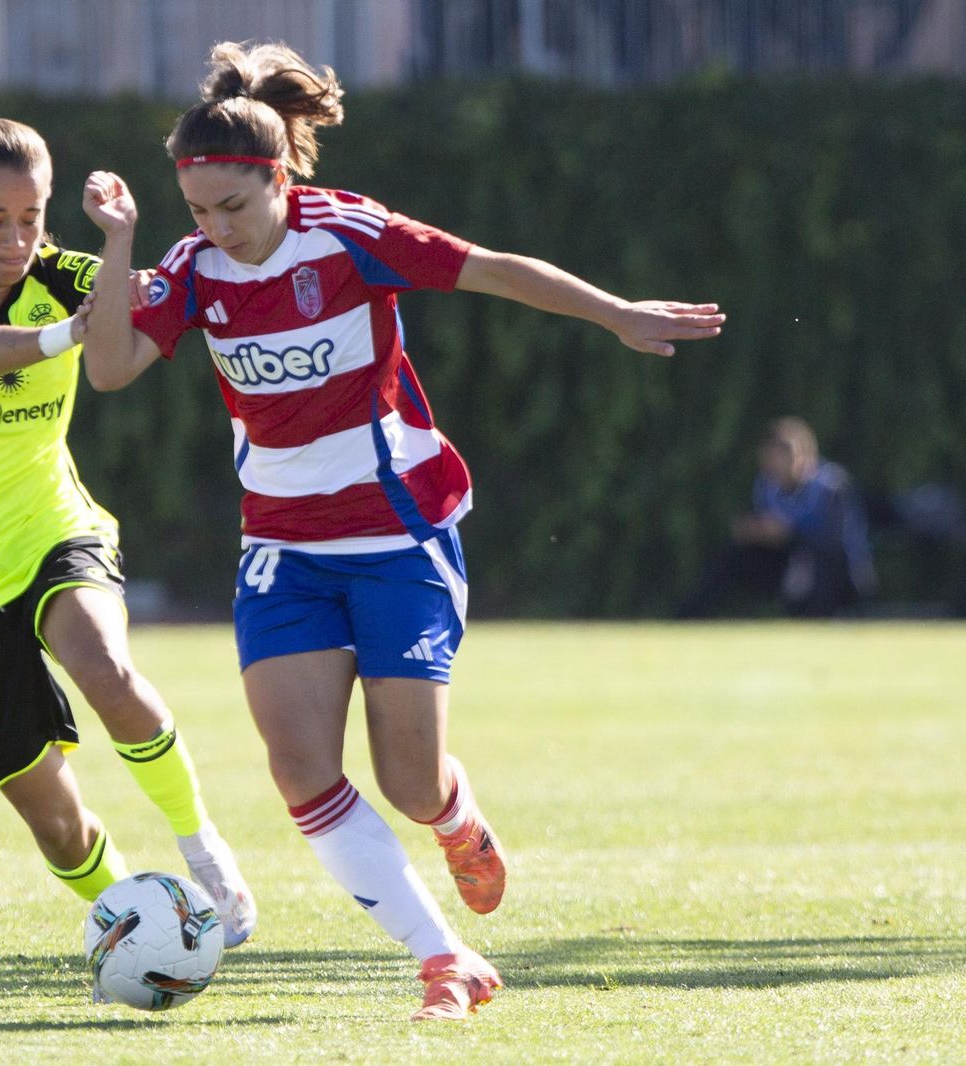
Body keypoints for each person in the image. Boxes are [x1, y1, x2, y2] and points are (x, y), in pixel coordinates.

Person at [76, 43, 724, 1020]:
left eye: (233, 209)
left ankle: (454, 819)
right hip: (283, 548)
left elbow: (492, 269)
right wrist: (121, 241)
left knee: (410, 779)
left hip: (397, 533)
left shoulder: (346, 236)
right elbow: (111, 366)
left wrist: (614, 313)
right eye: (197, 211)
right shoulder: (192, 268)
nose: (216, 229)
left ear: (279, 177)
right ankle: (444, 960)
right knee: (298, 766)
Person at [0, 117, 255, 944]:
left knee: (108, 670)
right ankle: (138, 923)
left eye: (32, 217)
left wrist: (121, 238)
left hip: (52, 528)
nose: (16, 240)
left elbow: (171, 296)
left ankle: (206, 855)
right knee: (54, 819)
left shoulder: (69, 272)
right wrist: (75, 330)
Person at [680, 416, 875, 618]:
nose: (773, 464)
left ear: (804, 455)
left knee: (818, 562)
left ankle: (819, 621)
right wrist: (753, 530)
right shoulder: (766, 486)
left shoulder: (833, 487)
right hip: (788, 564)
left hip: (841, 574)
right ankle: (687, 618)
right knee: (735, 554)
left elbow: (837, 544)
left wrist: (790, 534)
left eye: (782, 455)